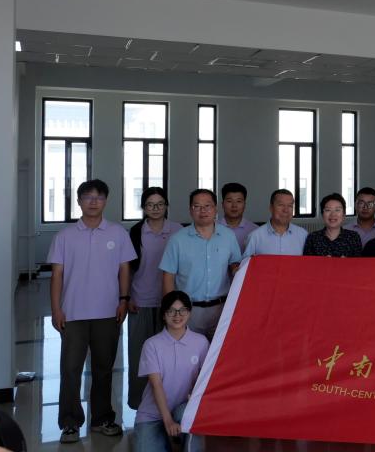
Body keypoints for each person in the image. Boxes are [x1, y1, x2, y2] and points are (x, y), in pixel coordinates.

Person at [48, 179, 136, 443]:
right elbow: (57, 275)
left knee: (103, 369)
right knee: (70, 369)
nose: (93, 202)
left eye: (99, 197)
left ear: (106, 201)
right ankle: (70, 423)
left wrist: (123, 300)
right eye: (88, 197)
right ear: (79, 201)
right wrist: (56, 309)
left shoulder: (118, 233)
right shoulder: (64, 236)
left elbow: (124, 269)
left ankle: (102, 418)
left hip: (108, 312)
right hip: (73, 313)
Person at [126, 187, 184, 411]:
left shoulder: (178, 230)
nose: (156, 208)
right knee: (140, 355)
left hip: (171, 304)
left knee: (171, 355)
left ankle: (170, 403)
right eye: (150, 204)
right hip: (141, 301)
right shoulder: (135, 232)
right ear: (143, 208)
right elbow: (127, 269)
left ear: (167, 206)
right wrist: (127, 296)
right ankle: (140, 404)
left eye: (160, 204)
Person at [160, 189, 242, 340]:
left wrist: (236, 269)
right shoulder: (177, 240)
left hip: (221, 310)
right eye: (197, 206)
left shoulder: (228, 236)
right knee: (189, 353)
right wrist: (171, 311)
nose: (203, 211)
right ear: (190, 210)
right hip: (188, 311)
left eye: (207, 206)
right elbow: (168, 276)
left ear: (215, 208)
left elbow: (235, 265)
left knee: (218, 354)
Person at [133, 290, 209, 452]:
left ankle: (178, 441)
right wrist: (168, 421)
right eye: (171, 311)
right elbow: (156, 385)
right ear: (163, 314)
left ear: (189, 313)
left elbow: (203, 381)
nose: (177, 315)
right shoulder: (151, 344)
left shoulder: (201, 342)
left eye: (182, 310)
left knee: (187, 417)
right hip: (153, 415)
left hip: (184, 411)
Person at [243, 189, 309, 260]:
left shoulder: (303, 235)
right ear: (271, 208)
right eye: (281, 205)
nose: (286, 210)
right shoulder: (255, 237)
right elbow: (246, 264)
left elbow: (309, 263)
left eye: (290, 206)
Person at [220, 182, 256, 253]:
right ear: (222, 204)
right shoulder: (213, 229)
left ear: (244, 205)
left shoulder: (255, 231)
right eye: (229, 201)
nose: (234, 206)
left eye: (239, 201)